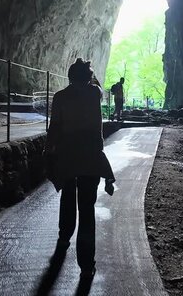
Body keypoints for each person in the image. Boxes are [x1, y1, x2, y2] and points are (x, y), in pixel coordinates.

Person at [45, 58, 115, 279]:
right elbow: (98, 87)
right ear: (88, 77)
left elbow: (54, 127)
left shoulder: (60, 97)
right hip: (91, 156)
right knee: (87, 209)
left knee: (67, 197)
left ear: (69, 76)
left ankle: (64, 237)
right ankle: (86, 263)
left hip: (68, 154)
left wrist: (49, 153)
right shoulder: (94, 94)